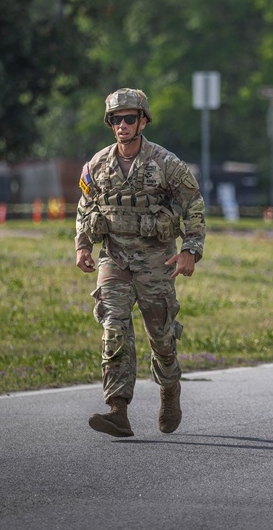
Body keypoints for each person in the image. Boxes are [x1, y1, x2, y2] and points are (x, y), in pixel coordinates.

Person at [75, 88, 206, 438]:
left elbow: (193, 204)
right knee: (113, 329)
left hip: (156, 259)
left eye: (129, 118)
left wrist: (190, 250)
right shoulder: (98, 164)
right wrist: (83, 245)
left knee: (160, 336)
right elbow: (85, 207)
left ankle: (169, 389)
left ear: (143, 121)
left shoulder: (166, 163)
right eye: (116, 120)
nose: (122, 125)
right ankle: (118, 410)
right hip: (114, 258)